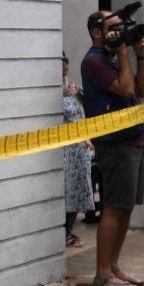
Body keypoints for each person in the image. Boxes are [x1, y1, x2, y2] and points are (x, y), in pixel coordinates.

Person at [78, 8, 144, 286]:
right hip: (115, 142)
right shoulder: (94, 62)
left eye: (122, 27)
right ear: (97, 32)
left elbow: (141, 90)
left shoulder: (111, 58)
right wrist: (123, 52)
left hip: (133, 138)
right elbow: (124, 88)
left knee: (125, 208)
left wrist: (142, 56)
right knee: (113, 207)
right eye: (113, 28)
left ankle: (113, 266)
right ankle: (102, 274)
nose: (119, 32)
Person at [59, 57, 92, 247]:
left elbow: (83, 107)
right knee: (66, 189)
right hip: (64, 150)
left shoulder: (70, 84)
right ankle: (62, 231)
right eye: (60, 62)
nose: (64, 65)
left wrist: (77, 91)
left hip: (78, 147)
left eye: (66, 62)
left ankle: (69, 230)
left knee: (79, 187)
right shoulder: (52, 89)